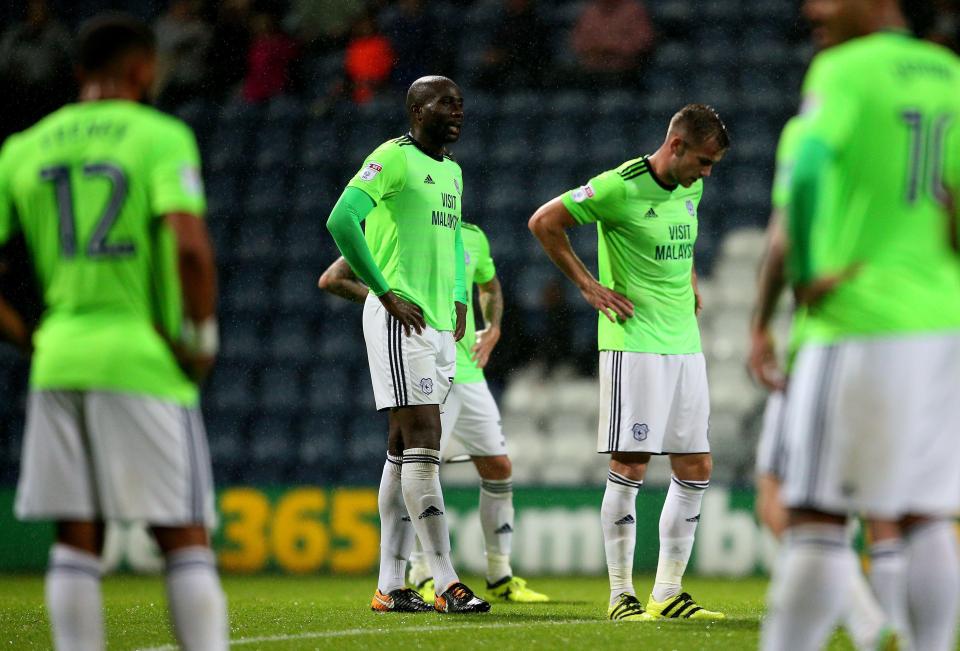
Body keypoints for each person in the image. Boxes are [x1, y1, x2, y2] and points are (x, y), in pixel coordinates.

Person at [0, 14, 227, 651]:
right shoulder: (160, 136)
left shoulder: (24, 147)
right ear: (143, 70)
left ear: (79, 74)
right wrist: (201, 340)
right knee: (182, 534)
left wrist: (29, 336)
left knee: (76, 541)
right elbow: (190, 249)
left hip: (58, 359)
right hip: (141, 356)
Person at [760, 0, 960, 649]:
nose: (814, 7)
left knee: (816, 515)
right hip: (940, 321)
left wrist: (809, 272)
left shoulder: (843, 68)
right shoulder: (949, 73)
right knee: (927, 514)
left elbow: (810, 169)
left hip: (858, 319)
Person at [528, 104, 728, 622]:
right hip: (633, 344)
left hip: (684, 344)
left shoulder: (693, 186)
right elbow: (544, 222)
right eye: (703, 161)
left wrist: (690, 282)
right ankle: (621, 595)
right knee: (631, 465)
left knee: (696, 465)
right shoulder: (619, 186)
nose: (707, 174)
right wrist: (587, 285)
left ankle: (667, 593)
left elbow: (680, 247)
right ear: (677, 145)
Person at [325, 75, 489, 614]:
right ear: (417, 109)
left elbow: (454, 238)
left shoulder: (453, 171)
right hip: (404, 321)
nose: (458, 110)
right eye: (447, 102)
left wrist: (462, 297)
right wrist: (384, 290)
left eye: (461, 103)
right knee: (425, 443)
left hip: (440, 324)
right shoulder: (392, 157)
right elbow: (342, 219)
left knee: (402, 452)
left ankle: (390, 584)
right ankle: (444, 581)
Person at [318, 223, 549, 604]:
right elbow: (333, 278)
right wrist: (385, 300)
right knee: (419, 461)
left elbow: (489, 286)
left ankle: (499, 574)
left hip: (468, 370)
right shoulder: (399, 226)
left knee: (497, 466)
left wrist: (493, 329)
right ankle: (425, 574)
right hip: (421, 360)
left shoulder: (472, 234)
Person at [749, 115, 891, 651]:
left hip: (828, 344)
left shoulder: (819, 145)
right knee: (896, 510)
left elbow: (785, 242)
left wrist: (759, 322)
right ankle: (899, 623)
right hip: (915, 344)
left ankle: (869, 621)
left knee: (783, 500)